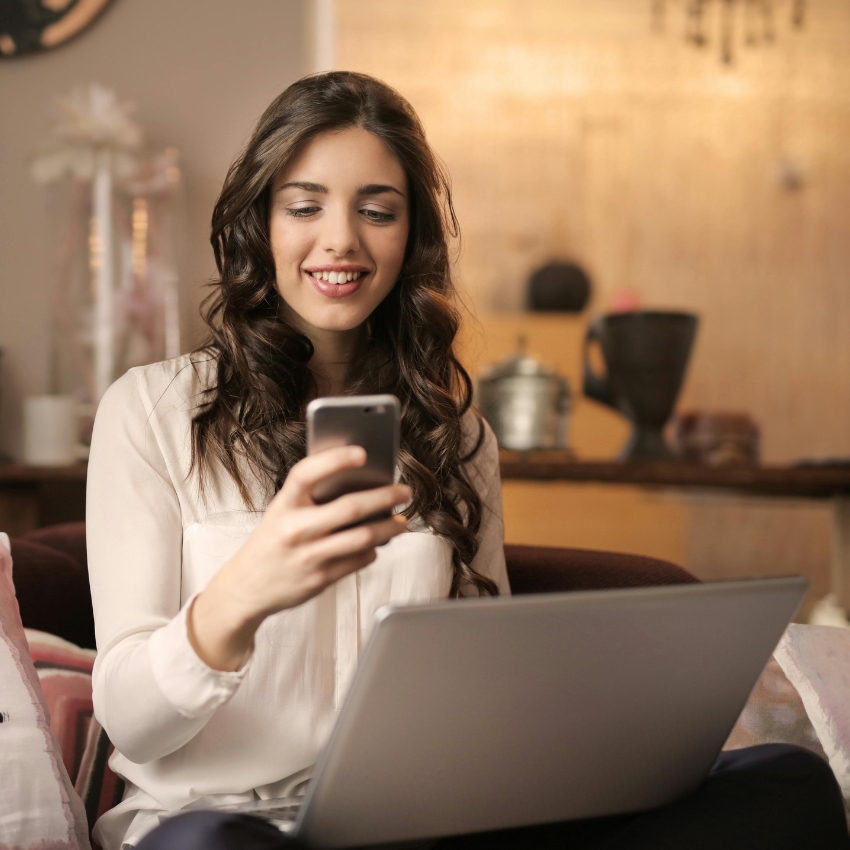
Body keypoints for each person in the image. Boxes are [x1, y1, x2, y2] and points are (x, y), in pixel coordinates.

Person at [87, 72, 849, 850]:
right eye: (305, 206)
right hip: (225, 825)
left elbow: (482, 683)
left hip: (416, 824)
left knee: (790, 784)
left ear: (409, 236)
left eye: (377, 211)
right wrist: (240, 596)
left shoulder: (459, 436)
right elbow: (134, 724)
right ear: (261, 224)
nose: (342, 239)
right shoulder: (152, 414)